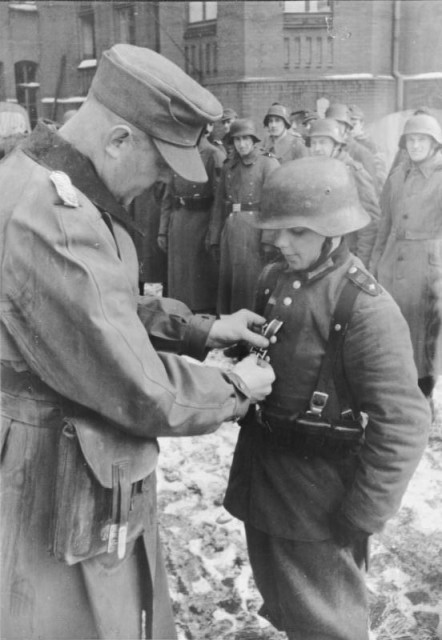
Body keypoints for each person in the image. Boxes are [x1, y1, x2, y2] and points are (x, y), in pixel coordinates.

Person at [0, 44, 276, 640]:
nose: (155, 185)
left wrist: (200, 328)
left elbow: (87, 305)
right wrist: (234, 384)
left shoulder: (37, 177)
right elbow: (138, 385)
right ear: (120, 139)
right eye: (158, 166)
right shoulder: (59, 215)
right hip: (47, 471)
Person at [224, 156, 430, 640]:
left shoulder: (366, 307)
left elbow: (402, 423)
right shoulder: (274, 279)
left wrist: (363, 512)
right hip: (266, 478)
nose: (280, 242)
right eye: (276, 230)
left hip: (319, 501)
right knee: (287, 608)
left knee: (328, 625)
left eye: (297, 231)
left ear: (334, 231)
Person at [370, 113, 442, 410]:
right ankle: (395, 392)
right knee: (391, 327)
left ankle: (423, 395)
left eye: (421, 140)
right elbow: (384, 224)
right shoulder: (397, 176)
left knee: (423, 333)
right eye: (410, 140)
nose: (415, 145)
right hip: (392, 262)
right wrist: (375, 264)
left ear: (434, 144)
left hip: (427, 266)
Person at [208, 118, 279, 314]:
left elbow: (273, 205)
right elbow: (219, 204)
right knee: (229, 284)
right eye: (237, 140)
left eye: (246, 139)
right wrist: (215, 237)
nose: (241, 144)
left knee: (250, 284)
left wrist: (269, 239)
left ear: (254, 140)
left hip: (254, 232)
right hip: (230, 231)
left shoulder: (267, 163)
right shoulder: (229, 166)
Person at [157, 130, 225, 313]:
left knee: (199, 285)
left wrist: (213, 231)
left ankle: (201, 322)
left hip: (202, 223)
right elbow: (168, 196)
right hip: (178, 222)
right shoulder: (179, 153)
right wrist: (163, 230)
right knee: (179, 281)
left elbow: (219, 199)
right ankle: (180, 319)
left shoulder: (213, 155)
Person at [307, 117, 381, 267]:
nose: (317, 148)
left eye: (323, 142)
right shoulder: (314, 172)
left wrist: (361, 263)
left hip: (347, 256)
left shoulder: (353, 172)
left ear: (337, 145)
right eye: (313, 143)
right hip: (320, 256)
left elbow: (370, 223)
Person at [325, 103, 382, 196]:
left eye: (339, 125)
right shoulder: (321, 152)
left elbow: (371, 195)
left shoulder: (363, 154)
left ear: (347, 128)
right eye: (329, 125)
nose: (334, 129)